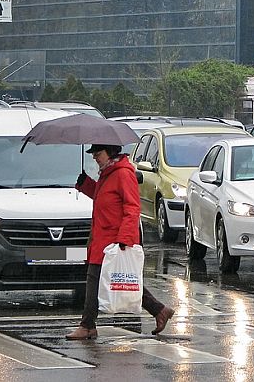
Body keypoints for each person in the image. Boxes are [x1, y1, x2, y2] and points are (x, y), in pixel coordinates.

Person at [66, 144, 175, 340]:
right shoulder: (107, 173)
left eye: (98, 154)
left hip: (113, 241)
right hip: (102, 239)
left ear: (110, 153)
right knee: (118, 280)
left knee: (99, 279)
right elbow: (104, 199)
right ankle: (159, 310)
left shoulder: (123, 173)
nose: (94, 158)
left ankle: (87, 325)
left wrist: (124, 238)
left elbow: (132, 207)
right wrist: (85, 183)